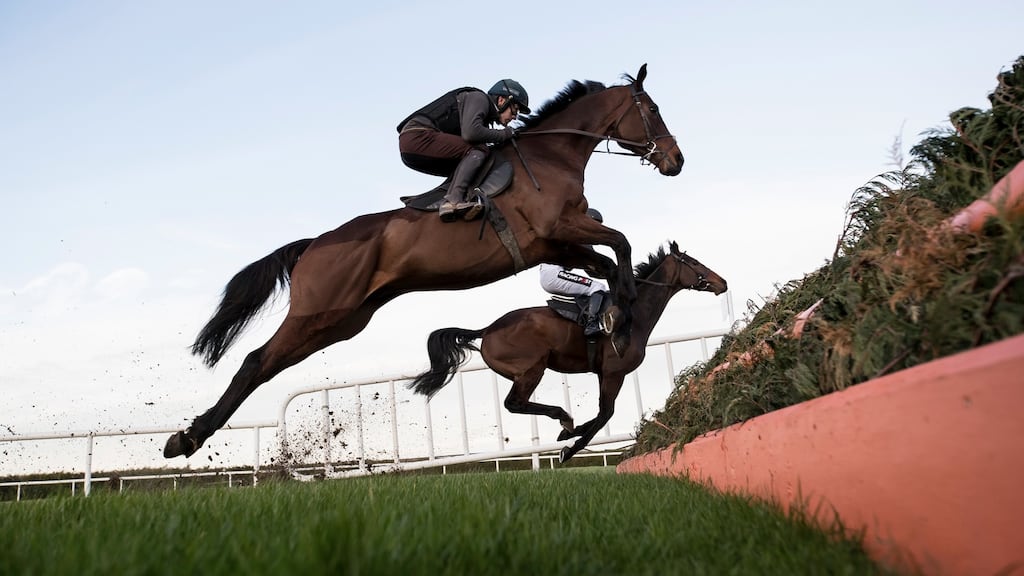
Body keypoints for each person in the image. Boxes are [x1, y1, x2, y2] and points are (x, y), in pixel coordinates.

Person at [397, 79, 530, 222]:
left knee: (475, 162)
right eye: (515, 109)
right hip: (418, 137)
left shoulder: (481, 113)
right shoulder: (479, 98)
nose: (515, 116)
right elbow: (471, 133)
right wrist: (505, 134)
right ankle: (453, 201)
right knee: (479, 151)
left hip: (413, 144)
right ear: (502, 100)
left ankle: (429, 200)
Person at [539, 208, 609, 338]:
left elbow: (591, 272)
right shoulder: (579, 236)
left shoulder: (572, 232)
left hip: (551, 274)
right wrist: (615, 275)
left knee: (593, 287)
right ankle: (592, 324)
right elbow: (596, 265)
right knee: (598, 287)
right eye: (596, 225)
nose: (597, 230)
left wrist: (609, 275)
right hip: (554, 274)